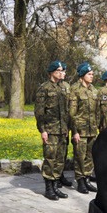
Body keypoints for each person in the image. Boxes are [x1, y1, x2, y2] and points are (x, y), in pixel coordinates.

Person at [34, 60, 72, 200]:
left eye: (63, 71)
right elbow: (39, 111)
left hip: (63, 129)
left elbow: (68, 110)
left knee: (60, 159)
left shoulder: (64, 87)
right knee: (50, 158)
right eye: (59, 71)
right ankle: (49, 188)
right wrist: (42, 130)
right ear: (52, 72)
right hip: (50, 129)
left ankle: (55, 185)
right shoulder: (44, 88)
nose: (62, 73)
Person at [69, 62, 100, 194]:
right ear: (82, 75)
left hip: (92, 129)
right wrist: (74, 131)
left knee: (90, 156)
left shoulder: (94, 90)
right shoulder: (75, 89)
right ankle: (80, 181)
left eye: (92, 74)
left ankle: (87, 179)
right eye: (89, 74)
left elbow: (97, 111)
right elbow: (71, 113)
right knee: (79, 156)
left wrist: (97, 126)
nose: (92, 76)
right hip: (80, 131)